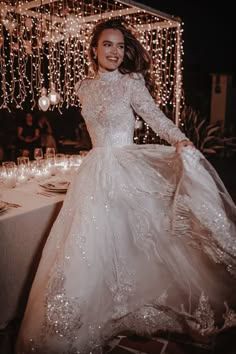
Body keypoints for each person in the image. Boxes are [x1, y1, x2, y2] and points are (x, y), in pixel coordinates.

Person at [16, 19, 236, 353]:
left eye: (120, 46)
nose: (115, 52)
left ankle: (126, 305)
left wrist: (181, 140)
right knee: (90, 242)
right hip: (94, 172)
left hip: (125, 168)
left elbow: (154, 116)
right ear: (94, 49)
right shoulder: (82, 87)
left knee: (132, 240)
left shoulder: (132, 82)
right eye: (108, 44)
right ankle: (88, 314)